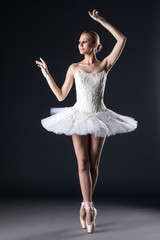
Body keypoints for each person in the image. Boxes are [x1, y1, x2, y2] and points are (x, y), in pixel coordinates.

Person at [35, 9, 138, 234]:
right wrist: (47, 74)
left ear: (95, 45)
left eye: (85, 41)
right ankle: (88, 207)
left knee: (94, 164)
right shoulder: (75, 68)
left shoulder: (104, 66)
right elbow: (61, 96)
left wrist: (101, 20)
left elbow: (122, 39)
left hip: (100, 116)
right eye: (79, 41)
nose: (80, 44)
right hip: (79, 116)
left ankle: (86, 204)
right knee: (82, 163)